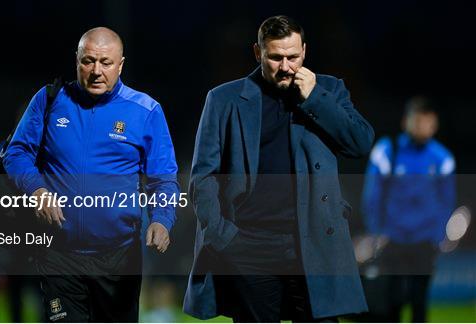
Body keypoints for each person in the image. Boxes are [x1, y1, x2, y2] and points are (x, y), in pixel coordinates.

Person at [183, 15, 374, 322]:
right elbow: (203, 176)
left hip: (314, 241)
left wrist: (316, 98)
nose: (286, 66)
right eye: (275, 57)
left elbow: (359, 143)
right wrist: (224, 237)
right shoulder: (223, 99)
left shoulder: (329, 90)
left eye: (293, 56)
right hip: (248, 245)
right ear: (258, 53)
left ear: (305, 51)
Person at [4, 27, 179, 322]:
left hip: (119, 258)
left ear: (120, 65)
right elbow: (16, 154)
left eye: (106, 63)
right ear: (76, 61)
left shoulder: (146, 111)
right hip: (58, 253)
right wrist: (37, 190)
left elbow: (163, 178)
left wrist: (162, 219)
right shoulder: (48, 100)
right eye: (88, 61)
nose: (96, 70)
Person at [361, 96, 455, 322]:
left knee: (419, 301)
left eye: (429, 121)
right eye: (419, 120)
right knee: (391, 301)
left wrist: (439, 236)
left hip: (424, 241)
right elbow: (372, 196)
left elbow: (447, 201)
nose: (424, 126)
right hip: (392, 239)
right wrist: (377, 231)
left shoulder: (442, 158)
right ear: (406, 122)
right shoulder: (387, 151)